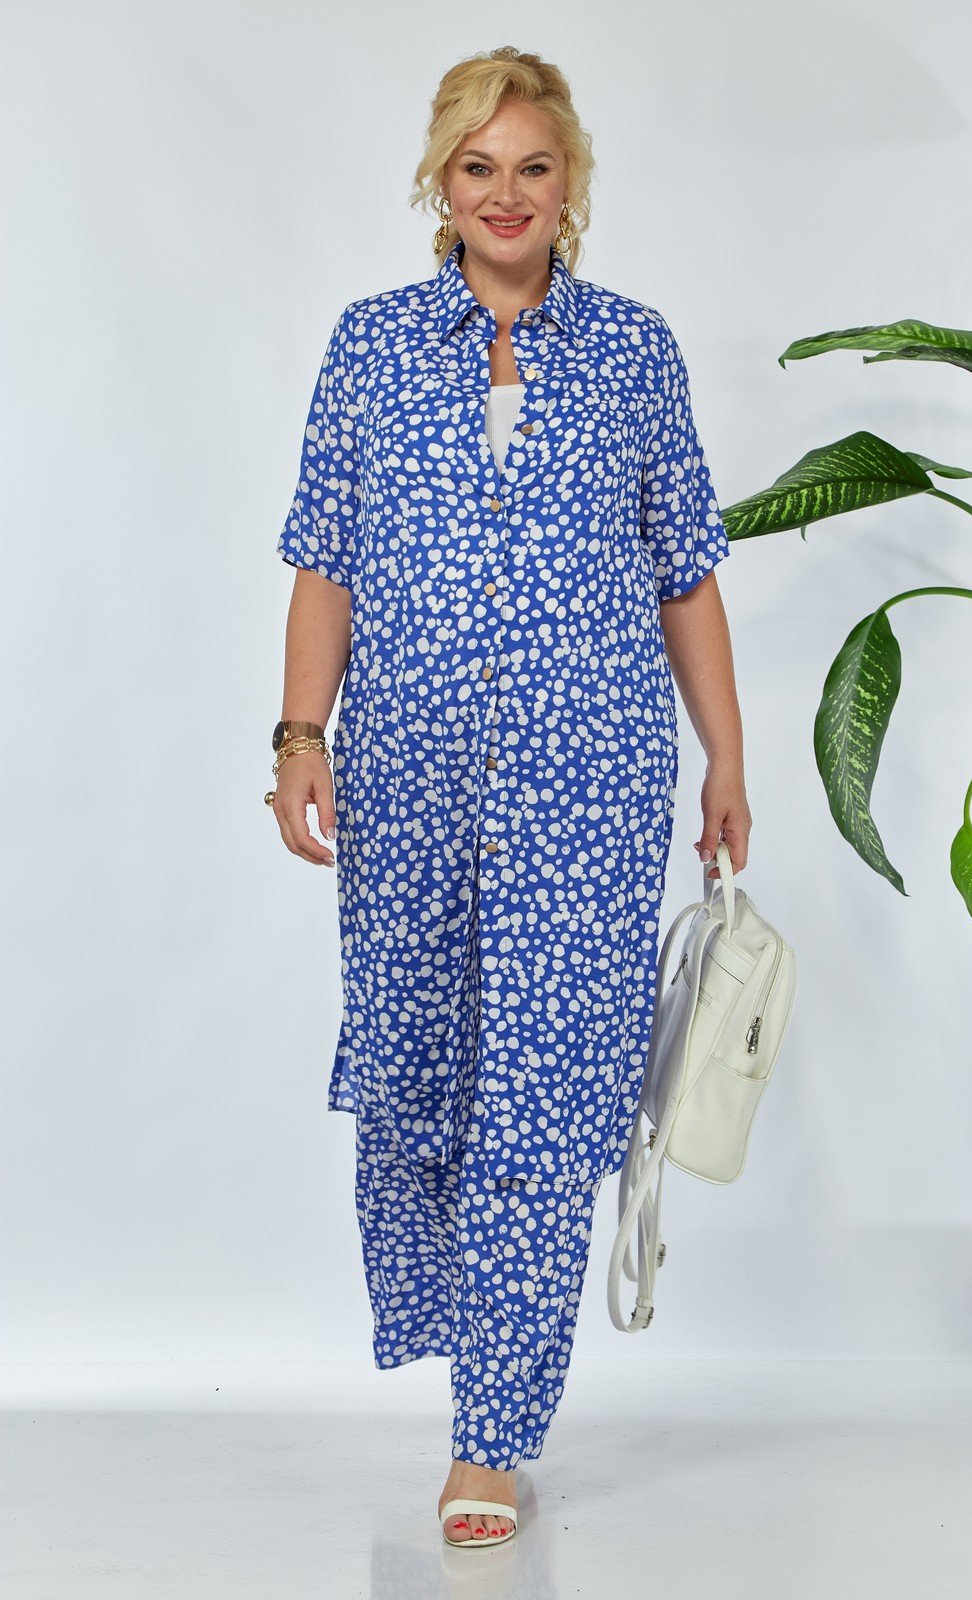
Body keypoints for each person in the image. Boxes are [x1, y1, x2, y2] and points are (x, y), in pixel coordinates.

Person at [267, 45, 751, 1549]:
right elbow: (325, 559)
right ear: (440, 179)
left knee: (545, 1095)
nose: (506, 193)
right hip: (407, 777)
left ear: (571, 183)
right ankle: (459, 1335)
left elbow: (686, 573)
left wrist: (728, 757)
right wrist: (298, 736)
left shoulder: (636, 351)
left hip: (587, 781)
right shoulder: (370, 347)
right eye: (478, 166)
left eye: (534, 166)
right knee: (415, 1076)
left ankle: (494, 1433)